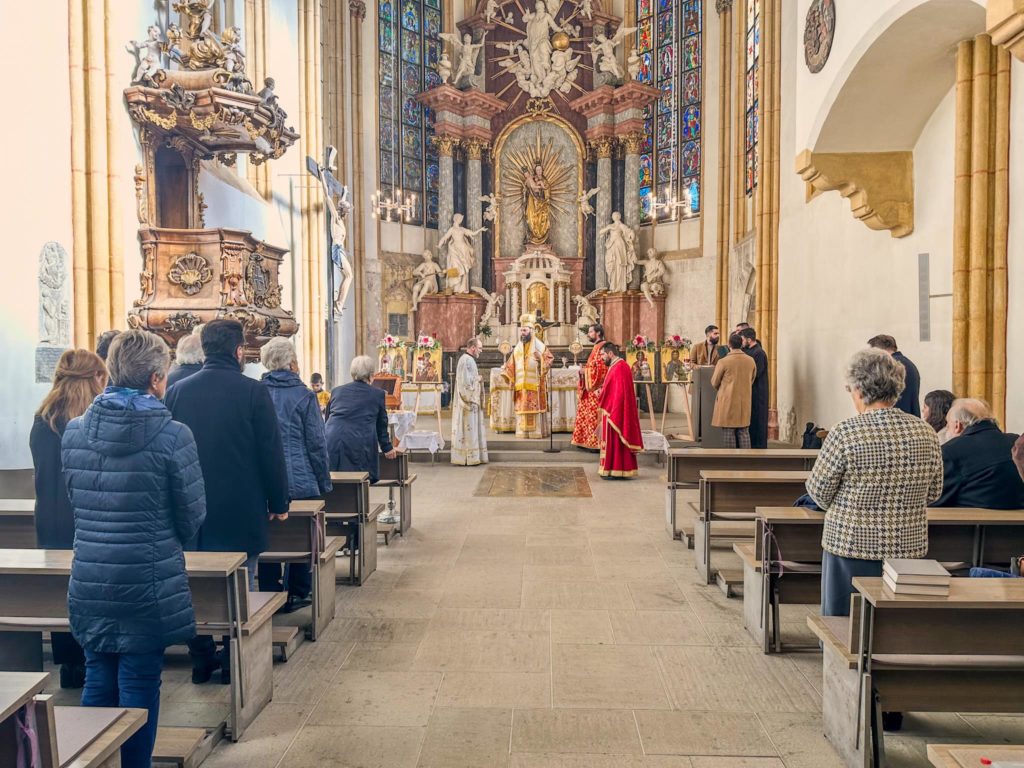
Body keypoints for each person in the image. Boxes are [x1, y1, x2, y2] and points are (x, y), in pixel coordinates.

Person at [62, 330, 206, 767]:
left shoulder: (74, 431)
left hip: (90, 575)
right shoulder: (173, 435)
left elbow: (77, 500)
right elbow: (191, 515)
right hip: (147, 578)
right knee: (140, 680)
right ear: (158, 379)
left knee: (98, 674)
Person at [165, 318, 289, 683]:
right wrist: (279, 502)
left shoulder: (177, 391)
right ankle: (236, 661)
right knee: (242, 581)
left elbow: (169, 453)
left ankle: (202, 659)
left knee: (195, 586)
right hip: (241, 505)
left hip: (192, 508)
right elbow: (271, 451)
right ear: (238, 352)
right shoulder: (252, 392)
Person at [806, 348, 943, 621]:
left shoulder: (846, 432)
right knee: (896, 623)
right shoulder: (925, 431)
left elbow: (819, 493)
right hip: (907, 544)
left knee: (844, 625)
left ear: (858, 389)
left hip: (851, 544)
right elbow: (934, 491)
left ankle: (844, 661)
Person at [30, 349, 107, 689]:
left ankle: (70, 665)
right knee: (93, 588)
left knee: (62, 590)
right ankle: (96, 657)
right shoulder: (96, 421)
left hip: (51, 515)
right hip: (89, 514)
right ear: (95, 379)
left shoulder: (42, 417)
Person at [257, 338, 332, 613]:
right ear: (291, 364)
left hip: (264, 481)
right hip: (301, 480)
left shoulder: (256, 392)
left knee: (268, 535)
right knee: (302, 536)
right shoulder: (304, 396)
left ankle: (268, 592)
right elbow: (316, 442)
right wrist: (323, 481)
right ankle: (298, 592)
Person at [933, 398, 1024, 509]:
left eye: (948, 424)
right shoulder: (1016, 443)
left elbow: (934, 499)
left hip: (975, 524)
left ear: (957, 426)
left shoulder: (950, 451)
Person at [325, 355, 397, 483]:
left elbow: (327, 418)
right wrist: (387, 447)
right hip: (358, 442)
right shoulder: (377, 394)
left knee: (335, 482)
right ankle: (357, 502)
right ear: (371, 374)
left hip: (332, 440)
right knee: (358, 482)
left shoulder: (336, 391)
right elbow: (381, 424)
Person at [502, 315, 555, 439]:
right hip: (521, 385)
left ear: (531, 330)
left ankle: (536, 432)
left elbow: (550, 359)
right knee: (522, 408)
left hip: (535, 385)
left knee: (535, 408)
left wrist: (540, 358)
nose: (522, 333)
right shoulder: (518, 347)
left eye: (525, 330)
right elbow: (512, 363)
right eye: (521, 330)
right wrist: (507, 374)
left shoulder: (540, 346)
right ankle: (523, 432)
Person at [597, 342, 643, 479]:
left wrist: (606, 399)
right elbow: (612, 388)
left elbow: (620, 393)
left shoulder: (620, 367)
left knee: (616, 442)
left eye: (603, 355)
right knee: (613, 442)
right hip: (612, 409)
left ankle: (616, 469)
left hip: (615, 411)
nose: (601, 358)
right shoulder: (615, 366)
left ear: (610, 354)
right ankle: (612, 469)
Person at [710, 333, 757, 448]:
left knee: (729, 432)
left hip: (728, 400)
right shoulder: (750, 360)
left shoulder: (724, 361)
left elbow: (714, 382)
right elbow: (752, 379)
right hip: (744, 400)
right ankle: (746, 460)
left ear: (729, 345)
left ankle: (730, 461)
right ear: (742, 344)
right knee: (744, 431)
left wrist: (725, 389)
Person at [451, 338, 488, 466]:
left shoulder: (466, 359)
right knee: (468, 429)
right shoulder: (467, 360)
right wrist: (478, 379)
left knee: (469, 429)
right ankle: (469, 457)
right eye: (480, 348)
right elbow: (466, 383)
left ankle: (470, 457)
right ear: (473, 347)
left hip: (469, 401)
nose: (480, 351)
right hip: (468, 401)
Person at [571, 324, 608, 451]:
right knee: (587, 413)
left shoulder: (603, 346)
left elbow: (602, 367)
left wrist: (584, 371)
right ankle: (586, 441)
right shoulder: (596, 347)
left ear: (598, 333)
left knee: (593, 414)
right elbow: (593, 366)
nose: (588, 334)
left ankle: (595, 444)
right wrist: (585, 371)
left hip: (597, 388)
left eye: (591, 332)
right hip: (591, 386)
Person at [868, 334, 920, 417]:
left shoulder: (889, 366)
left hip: (894, 421)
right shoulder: (910, 364)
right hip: (911, 419)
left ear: (878, 350)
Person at [740, 327, 769, 448]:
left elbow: (756, 372)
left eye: (743, 339)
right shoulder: (748, 350)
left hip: (758, 392)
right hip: (750, 391)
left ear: (749, 339)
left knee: (758, 420)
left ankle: (759, 447)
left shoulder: (759, 353)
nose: (742, 342)